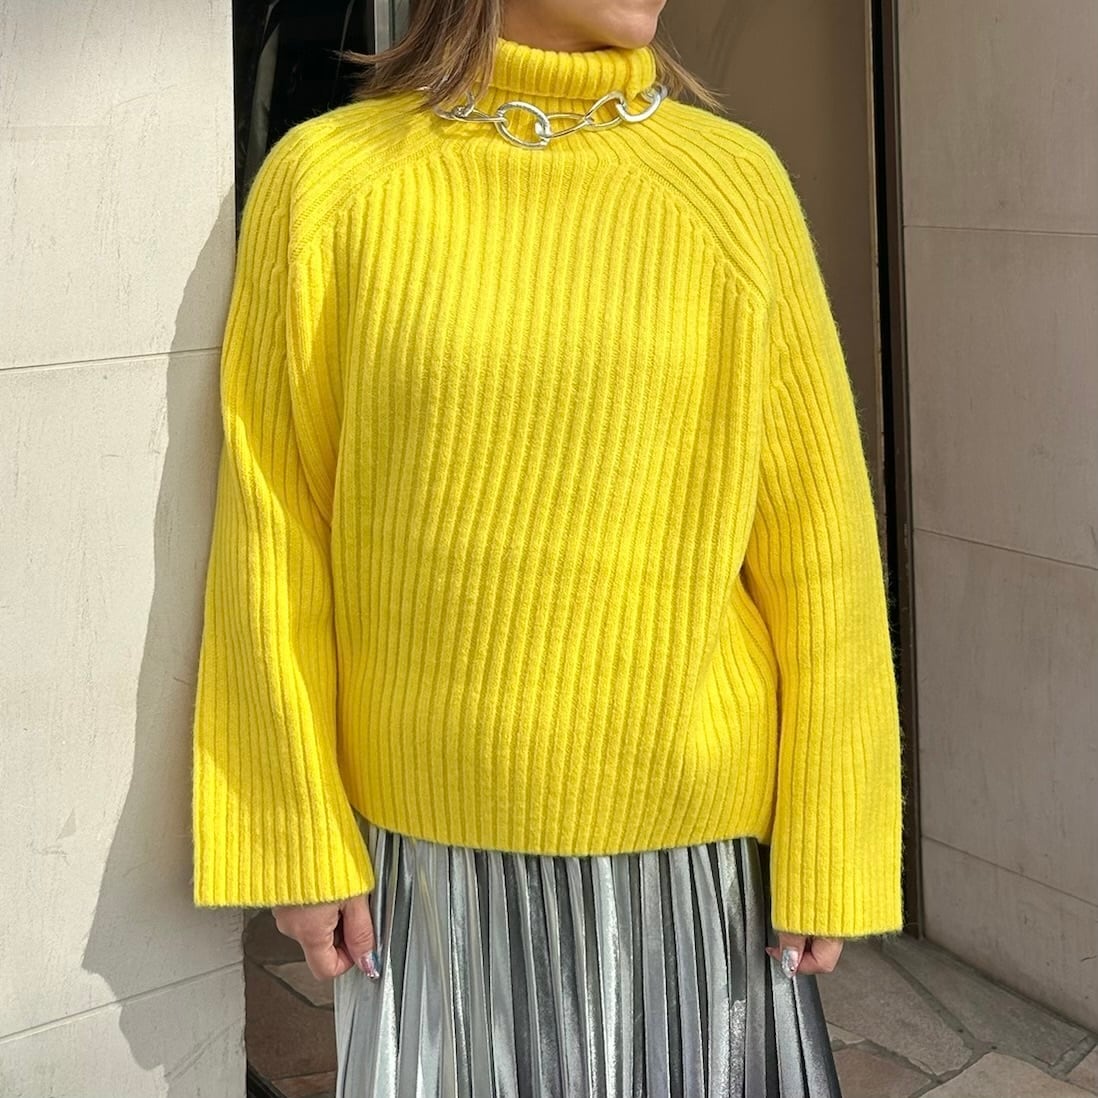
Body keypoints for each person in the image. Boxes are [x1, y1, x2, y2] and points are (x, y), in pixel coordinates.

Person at [190, 0, 905, 1093]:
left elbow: (821, 545)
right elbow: (273, 531)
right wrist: (293, 828)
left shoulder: (730, 185)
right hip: (426, 863)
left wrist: (834, 834)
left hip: (695, 857)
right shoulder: (330, 180)